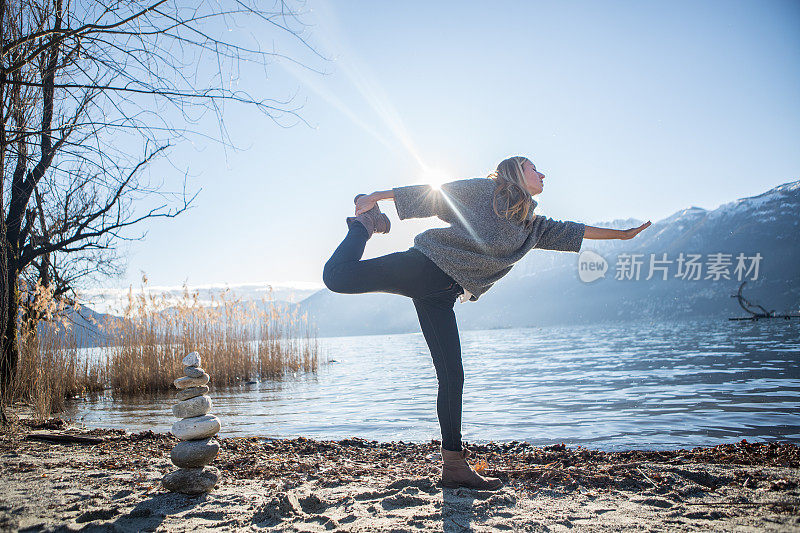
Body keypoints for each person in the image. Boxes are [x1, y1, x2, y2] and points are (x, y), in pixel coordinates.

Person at [322, 155, 651, 491]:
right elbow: (434, 193)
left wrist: (623, 236)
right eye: (533, 168)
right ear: (514, 172)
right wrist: (375, 198)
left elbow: (576, 231)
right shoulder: (486, 191)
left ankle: (453, 467)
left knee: (452, 374)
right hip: (426, 265)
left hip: (443, 295)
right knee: (336, 277)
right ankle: (364, 225)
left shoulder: (534, 228)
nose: (542, 174)